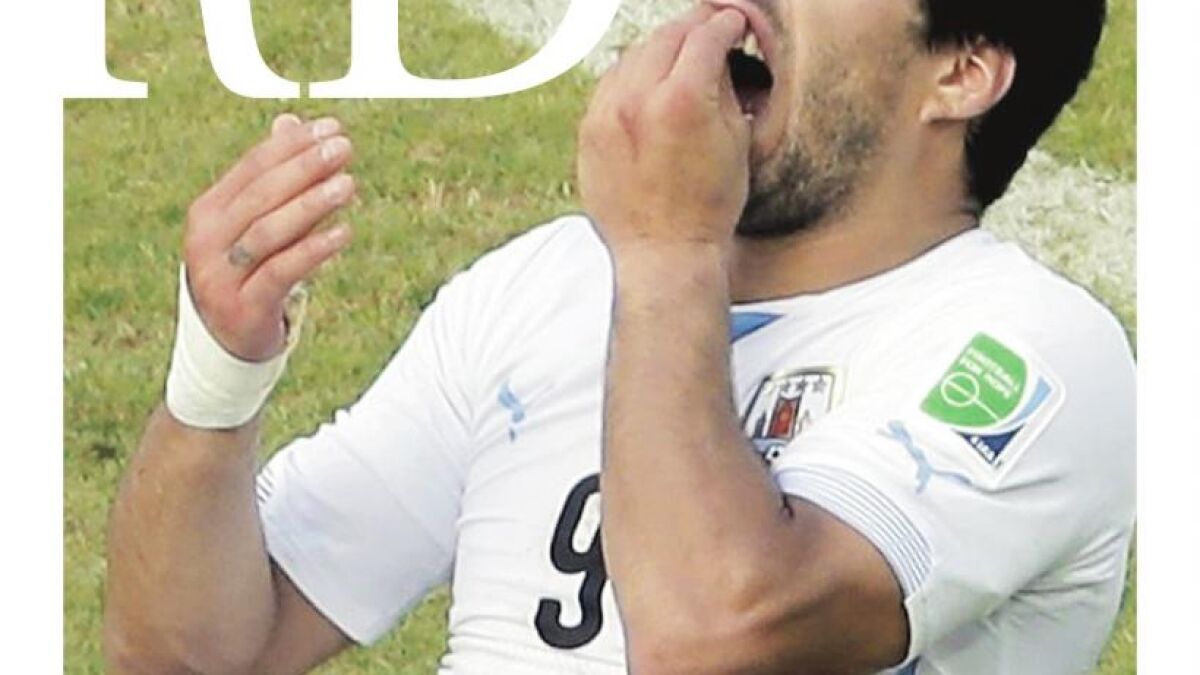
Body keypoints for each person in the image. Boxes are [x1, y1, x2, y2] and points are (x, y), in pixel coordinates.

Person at [103, 0, 1132, 673]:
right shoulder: (547, 282)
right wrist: (216, 377)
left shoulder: (1030, 351)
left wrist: (670, 250)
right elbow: (189, 658)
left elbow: (711, 637)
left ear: (961, 72)